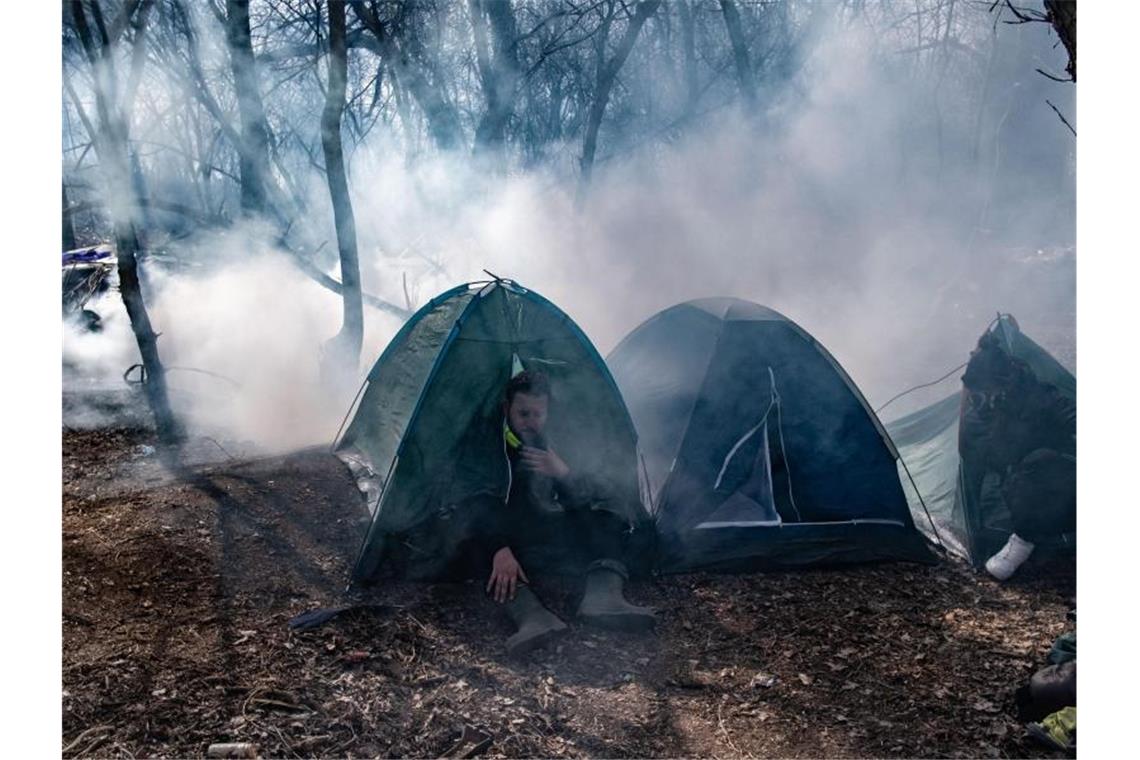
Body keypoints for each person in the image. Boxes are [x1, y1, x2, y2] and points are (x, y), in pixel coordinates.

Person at [472, 370, 655, 655]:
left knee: (613, 513)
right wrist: (499, 548)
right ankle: (533, 618)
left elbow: (589, 497)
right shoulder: (490, 445)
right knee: (471, 540)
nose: (531, 423)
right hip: (514, 539)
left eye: (538, 414)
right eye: (523, 414)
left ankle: (602, 598)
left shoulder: (560, 440)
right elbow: (479, 503)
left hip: (552, 536)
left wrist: (563, 473)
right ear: (506, 409)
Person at [959, 333, 1076, 581]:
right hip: (1007, 480)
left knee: (1037, 471)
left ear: (1000, 384)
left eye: (986, 391)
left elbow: (1069, 416)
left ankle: (1022, 542)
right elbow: (972, 451)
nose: (982, 398)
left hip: (1050, 483)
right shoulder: (984, 408)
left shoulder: (1041, 398)